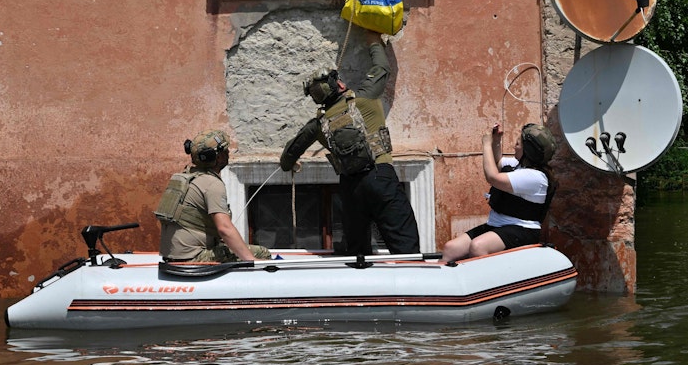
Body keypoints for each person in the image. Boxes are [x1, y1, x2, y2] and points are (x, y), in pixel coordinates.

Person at [279, 30, 420, 256]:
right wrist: (373, 41)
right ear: (340, 85)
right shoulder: (365, 98)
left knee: (357, 253)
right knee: (405, 245)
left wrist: (292, 164)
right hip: (380, 176)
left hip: (350, 188)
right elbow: (382, 68)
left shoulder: (317, 124)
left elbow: (287, 158)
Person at [441, 122, 558, 262]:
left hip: (522, 229)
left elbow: (492, 177)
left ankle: (485, 283)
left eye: (518, 144)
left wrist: (486, 144)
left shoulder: (536, 178)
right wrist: (496, 141)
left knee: (478, 247)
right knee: (451, 248)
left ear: (528, 151)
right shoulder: (519, 166)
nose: (514, 146)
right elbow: (498, 162)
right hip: (497, 225)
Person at [155, 129, 272, 263]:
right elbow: (224, 229)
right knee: (262, 253)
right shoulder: (212, 184)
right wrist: (252, 260)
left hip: (172, 257)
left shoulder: (184, 178)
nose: (228, 153)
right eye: (225, 151)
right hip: (193, 258)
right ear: (217, 157)